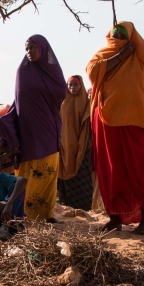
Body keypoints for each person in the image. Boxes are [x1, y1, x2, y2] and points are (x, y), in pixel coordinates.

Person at [87, 22, 144, 233]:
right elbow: (93, 72)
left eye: (123, 34)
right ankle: (115, 218)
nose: (119, 37)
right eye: (115, 33)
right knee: (112, 170)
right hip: (107, 121)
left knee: (139, 170)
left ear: (132, 37)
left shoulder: (140, 55)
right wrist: (121, 55)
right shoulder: (102, 56)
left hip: (136, 121)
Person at [0, 35, 68, 221]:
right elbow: (19, 101)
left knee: (48, 173)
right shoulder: (22, 71)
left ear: (43, 49)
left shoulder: (52, 71)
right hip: (28, 132)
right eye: (27, 48)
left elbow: (62, 90)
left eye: (33, 48)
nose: (29, 52)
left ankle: (46, 213)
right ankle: (24, 213)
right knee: (28, 174)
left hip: (49, 129)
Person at [58, 74, 94, 210]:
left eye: (76, 84)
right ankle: (66, 204)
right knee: (65, 173)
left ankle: (83, 207)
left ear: (81, 85)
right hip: (65, 146)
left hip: (82, 145)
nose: (73, 87)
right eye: (70, 85)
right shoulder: (63, 102)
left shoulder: (86, 102)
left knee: (82, 174)